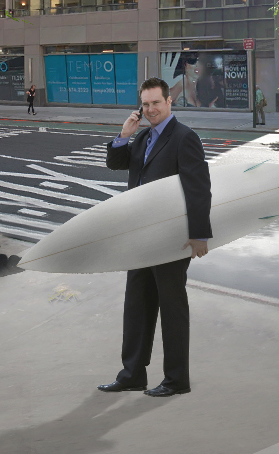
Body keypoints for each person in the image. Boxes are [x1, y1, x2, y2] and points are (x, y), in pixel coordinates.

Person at [99, 77, 212, 398]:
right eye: (145, 104)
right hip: (140, 239)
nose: (150, 109)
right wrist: (124, 135)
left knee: (172, 307)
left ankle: (177, 380)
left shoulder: (184, 138)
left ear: (169, 102)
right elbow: (115, 163)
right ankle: (133, 374)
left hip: (170, 239)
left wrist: (199, 234)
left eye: (156, 103)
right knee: (136, 305)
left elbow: (198, 188)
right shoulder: (143, 137)